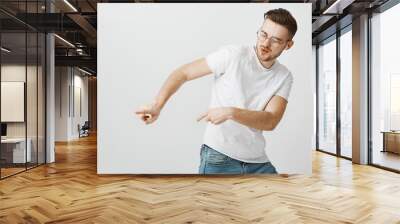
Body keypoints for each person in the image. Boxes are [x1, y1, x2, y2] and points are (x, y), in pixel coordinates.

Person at [135, 8, 297, 175]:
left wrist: (230, 112)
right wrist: (157, 104)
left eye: (275, 40)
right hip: (219, 157)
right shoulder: (233, 55)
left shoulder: (283, 76)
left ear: (288, 45)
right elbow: (183, 73)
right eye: (263, 34)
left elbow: (271, 120)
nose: (265, 43)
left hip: (258, 162)